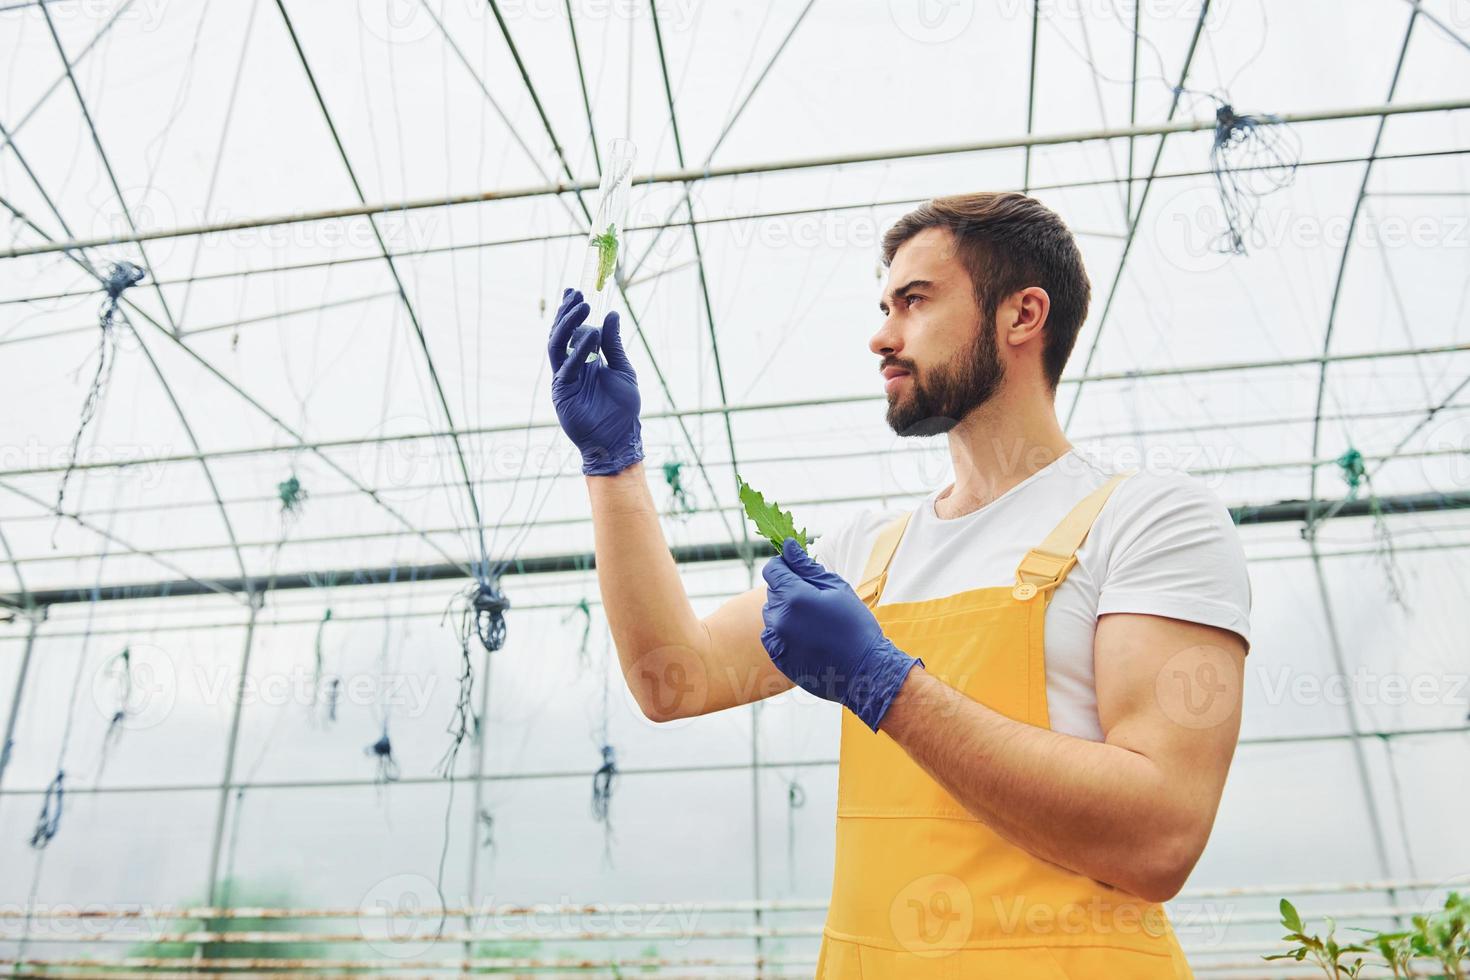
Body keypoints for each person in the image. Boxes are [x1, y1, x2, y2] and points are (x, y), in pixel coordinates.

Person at [546, 191, 1250, 979]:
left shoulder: (1148, 520)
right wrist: (613, 467)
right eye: (885, 305)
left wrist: (888, 687)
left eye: (915, 301)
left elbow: (1159, 840)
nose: (882, 335)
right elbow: (675, 680)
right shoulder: (868, 552)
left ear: (1023, 316)